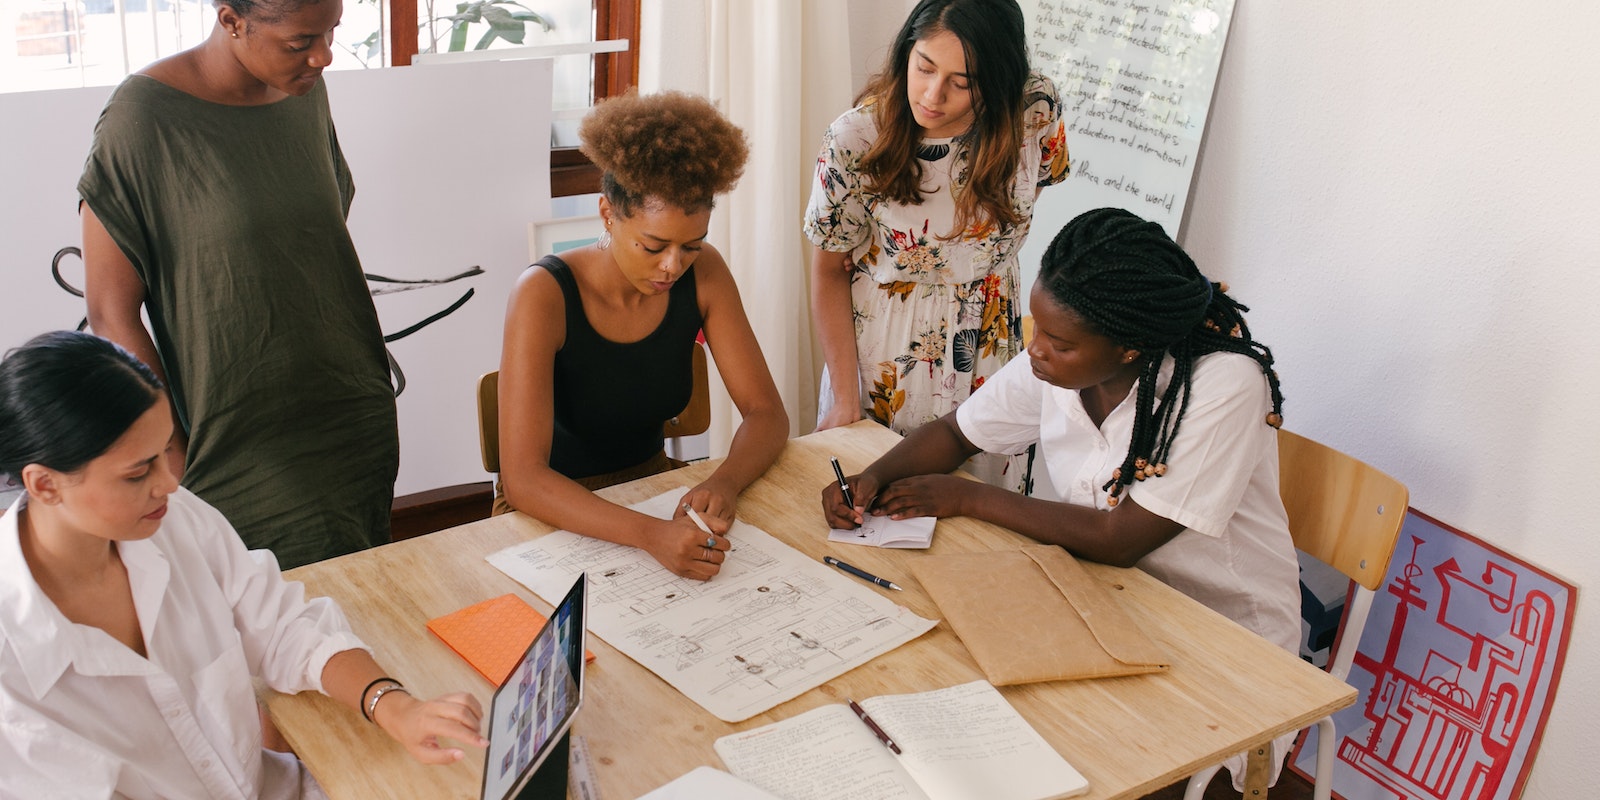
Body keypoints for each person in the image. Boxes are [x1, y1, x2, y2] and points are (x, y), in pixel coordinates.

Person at [822, 208, 1301, 787]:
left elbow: (1119, 538)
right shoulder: (1057, 365)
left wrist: (967, 498)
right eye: (1037, 330)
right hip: (1109, 600)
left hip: (1221, 632)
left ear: (1128, 347)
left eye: (1059, 342)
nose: (1037, 350)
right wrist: (869, 479)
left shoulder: (1222, 386)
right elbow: (955, 433)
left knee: (1103, 763)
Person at [0, 331, 484, 799]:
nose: (169, 483)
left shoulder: (172, 519)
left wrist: (394, 706)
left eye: (164, 452)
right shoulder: (11, 665)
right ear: (44, 485)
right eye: (137, 472)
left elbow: (281, 628)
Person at [79, 0, 398, 570]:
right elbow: (110, 314)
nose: (323, 57)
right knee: (265, 632)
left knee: (360, 612)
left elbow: (305, 248)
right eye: (300, 42)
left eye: (332, 33)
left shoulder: (304, 90)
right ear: (232, 21)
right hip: (234, 439)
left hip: (351, 414)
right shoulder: (143, 117)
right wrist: (169, 452)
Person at [496, 91, 789, 582]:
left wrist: (725, 482)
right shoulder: (543, 293)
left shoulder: (705, 273)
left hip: (651, 490)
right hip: (550, 511)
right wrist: (650, 535)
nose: (672, 266)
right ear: (608, 214)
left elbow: (766, 414)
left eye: (690, 246)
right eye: (654, 246)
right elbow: (525, 480)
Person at [805, 0, 1071, 489]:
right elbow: (826, 271)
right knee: (874, 513)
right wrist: (845, 397)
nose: (932, 94)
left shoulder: (1034, 112)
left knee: (984, 524)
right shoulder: (855, 138)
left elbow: (1028, 195)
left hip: (991, 349)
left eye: (962, 81)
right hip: (887, 360)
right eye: (923, 66)